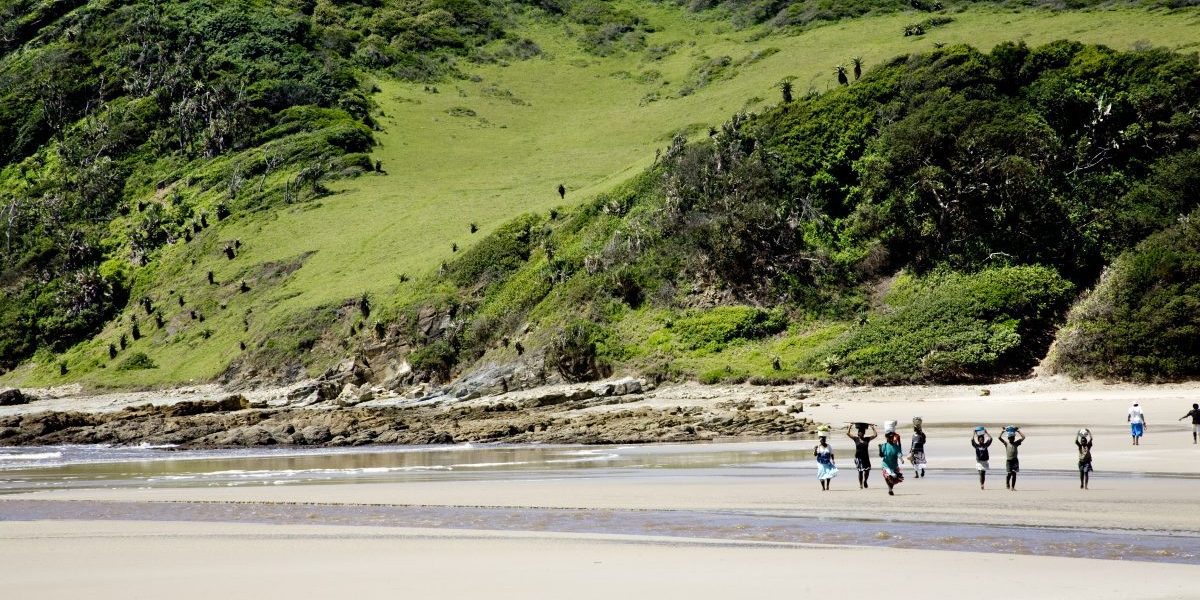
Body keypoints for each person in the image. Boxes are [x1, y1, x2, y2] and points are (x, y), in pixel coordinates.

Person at [847, 423, 878, 489]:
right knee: (860, 471)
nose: (860, 433)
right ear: (858, 433)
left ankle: (865, 481)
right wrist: (850, 426)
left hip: (866, 458)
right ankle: (861, 484)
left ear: (864, 433)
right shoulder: (856, 439)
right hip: (858, 458)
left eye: (861, 432)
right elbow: (848, 434)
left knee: (867, 471)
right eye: (859, 432)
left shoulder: (867, 439)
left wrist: (872, 427)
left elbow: (875, 435)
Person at [998, 427, 1026, 491]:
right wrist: (1003, 431)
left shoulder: (1016, 443)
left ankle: (1012, 487)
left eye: (1013, 438)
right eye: (1010, 438)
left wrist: (1018, 431)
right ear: (1008, 438)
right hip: (1009, 461)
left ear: (1014, 438)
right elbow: (999, 438)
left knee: (1014, 474)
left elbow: (1023, 437)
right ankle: (1007, 483)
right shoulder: (1006, 443)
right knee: (1009, 474)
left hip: (1015, 461)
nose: (1012, 439)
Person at [879, 431, 904, 496]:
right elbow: (881, 455)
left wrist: (901, 459)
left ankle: (890, 489)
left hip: (894, 466)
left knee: (893, 479)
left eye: (892, 437)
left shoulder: (896, 446)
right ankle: (890, 489)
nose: (891, 439)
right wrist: (880, 449)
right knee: (888, 478)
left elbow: (899, 454)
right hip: (886, 465)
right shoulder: (884, 446)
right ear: (887, 438)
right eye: (890, 438)